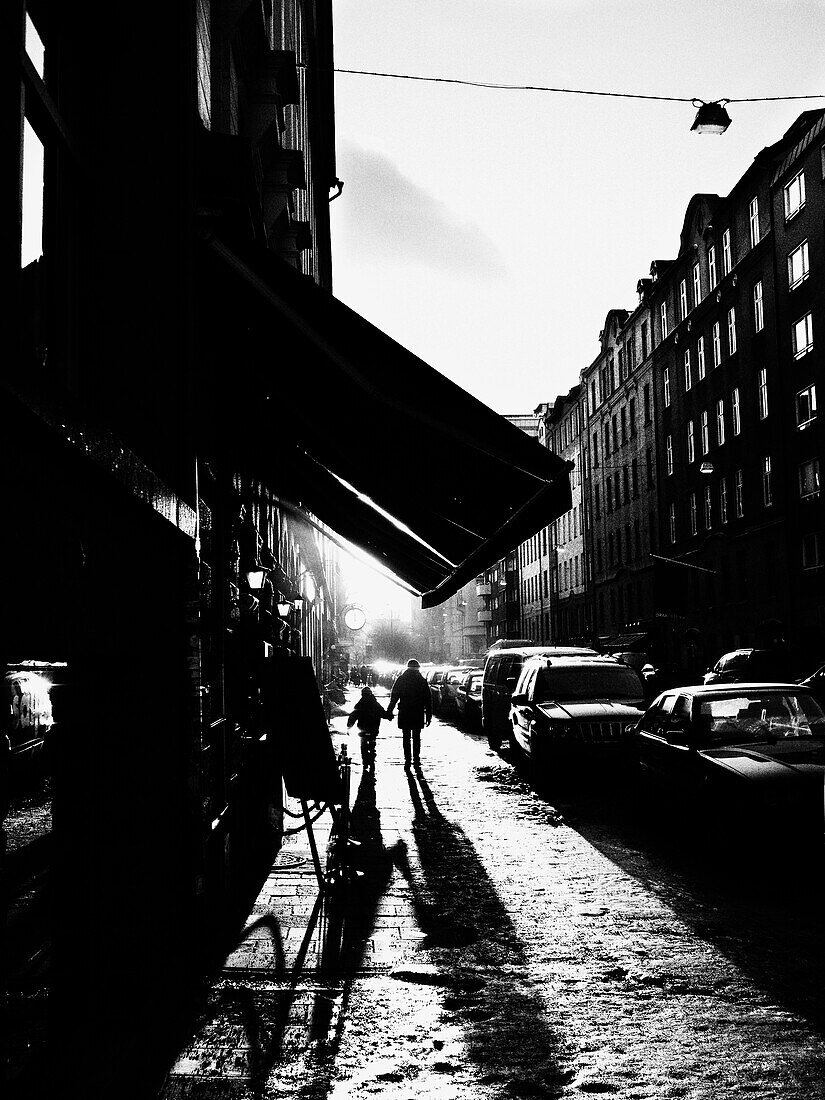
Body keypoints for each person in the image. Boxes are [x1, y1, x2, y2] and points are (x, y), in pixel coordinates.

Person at [386, 658, 432, 769]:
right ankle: (416, 759)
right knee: (416, 737)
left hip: (405, 712)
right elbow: (428, 700)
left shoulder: (401, 679)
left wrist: (389, 711)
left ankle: (407, 759)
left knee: (406, 737)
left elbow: (394, 697)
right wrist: (429, 715)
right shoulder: (422, 681)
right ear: (418, 669)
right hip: (418, 712)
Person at [346, 686, 388, 769]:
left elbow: (353, 716)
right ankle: (372, 757)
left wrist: (349, 727)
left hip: (363, 729)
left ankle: (365, 761)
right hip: (373, 729)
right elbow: (382, 713)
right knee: (372, 744)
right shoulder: (375, 704)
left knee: (363, 745)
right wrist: (389, 716)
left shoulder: (360, 704)